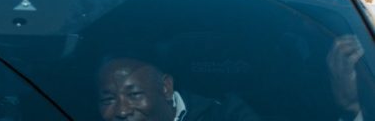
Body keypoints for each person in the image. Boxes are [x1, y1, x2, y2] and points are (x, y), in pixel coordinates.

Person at [97, 56, 258, 121]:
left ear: (166, 87)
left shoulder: (226, 115)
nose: (122, 111)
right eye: (108, 99)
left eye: (134, 94)